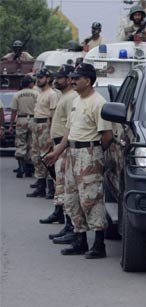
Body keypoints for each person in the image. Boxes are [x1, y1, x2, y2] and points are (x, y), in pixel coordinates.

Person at [44, 63, 113, 260]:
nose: (72, 80)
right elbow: (69, 130)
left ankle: (99, 244)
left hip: (88, 153)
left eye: (77, 77)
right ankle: (80, 239)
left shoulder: (98, 102)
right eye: (72, 77)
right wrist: (57, 152)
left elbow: (107, 135)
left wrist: (94, 154)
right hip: (72, 153)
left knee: (91, 199)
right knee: (72, 198)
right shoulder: (78, 100)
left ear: (88, 81)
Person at [40, 65, 78, 236]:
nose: (56, 80)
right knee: (60, 183)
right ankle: (61, 215)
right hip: (58, 144)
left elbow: (71, 127)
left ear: (70, 79)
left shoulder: (71, 98)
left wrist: (60, 147)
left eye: (61, 77)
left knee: (66, 185)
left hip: (65, 146)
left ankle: (70, 225)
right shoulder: (64, 96)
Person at [27, 68, 59, 199]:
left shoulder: (52, 94)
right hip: (36, 125)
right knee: (36, 155)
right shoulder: (40, 93)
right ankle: (40, 186)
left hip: (45, 125)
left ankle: (51, 188)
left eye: (41, 77)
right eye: (38, 77)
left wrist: (51, 134)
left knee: (46, 156)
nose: (38, 79)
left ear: (48, 78)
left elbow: (53, 116)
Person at [8, 76, 38, 178]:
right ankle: (29, 168)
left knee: (20, 142)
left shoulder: (17, 95)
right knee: (31, 143)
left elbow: (13, 111)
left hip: (21, 119)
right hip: (33, 119)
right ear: (30, 84)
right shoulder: (36, 94)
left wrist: (11, 125)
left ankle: (21, 167)